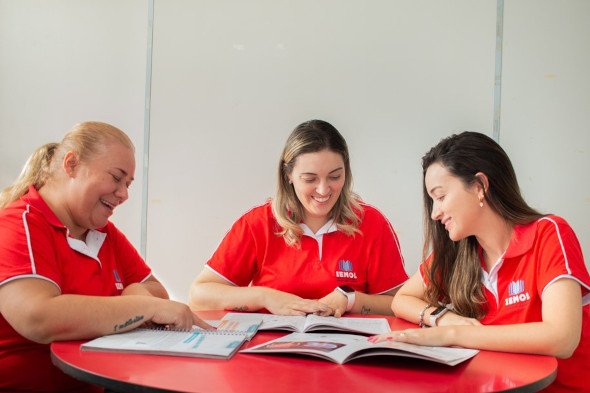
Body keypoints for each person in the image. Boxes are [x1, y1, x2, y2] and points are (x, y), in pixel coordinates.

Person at [369, 131, 589, 392]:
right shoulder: (458, 250)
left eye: (440, 196)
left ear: (479, 186)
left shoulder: (549, 233)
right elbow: (402, 299)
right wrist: (443, 319)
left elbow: (561, 338)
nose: (435, 212)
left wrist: (453, 335)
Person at [0, 121, 210, 392]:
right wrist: (142, 307)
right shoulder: (19, 224)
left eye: (128, 184)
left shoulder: (103, 233)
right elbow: (37, 317)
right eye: (116, 177)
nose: (123, 194)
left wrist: (137, 293)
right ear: (72, 164)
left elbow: (156, 291)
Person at [189, 119, 408, 317]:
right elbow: (199, 296)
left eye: (335, 176)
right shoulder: (259, 223)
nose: (323, 190)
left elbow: (399, 304)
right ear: (289, 176)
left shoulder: (371, 223)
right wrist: (265, 297)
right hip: (269, 353)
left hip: (348, 354)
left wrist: (350, 299)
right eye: (310, 179)